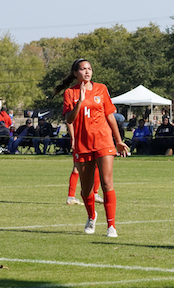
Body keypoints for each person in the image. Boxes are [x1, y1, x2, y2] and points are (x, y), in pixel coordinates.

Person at [55, 58, 128, 238]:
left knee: (106, 183)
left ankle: (111, 226)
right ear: (75, 73)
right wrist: (79, 102)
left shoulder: (101, 89)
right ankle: (91, 216)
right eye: (82, 69)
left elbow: (110, 116)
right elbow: (70, 120)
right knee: (86, 189)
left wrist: (118, 140)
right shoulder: (70, 93)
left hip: (104, 141)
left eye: (89, 69)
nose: (87, 72)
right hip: (83, 144)